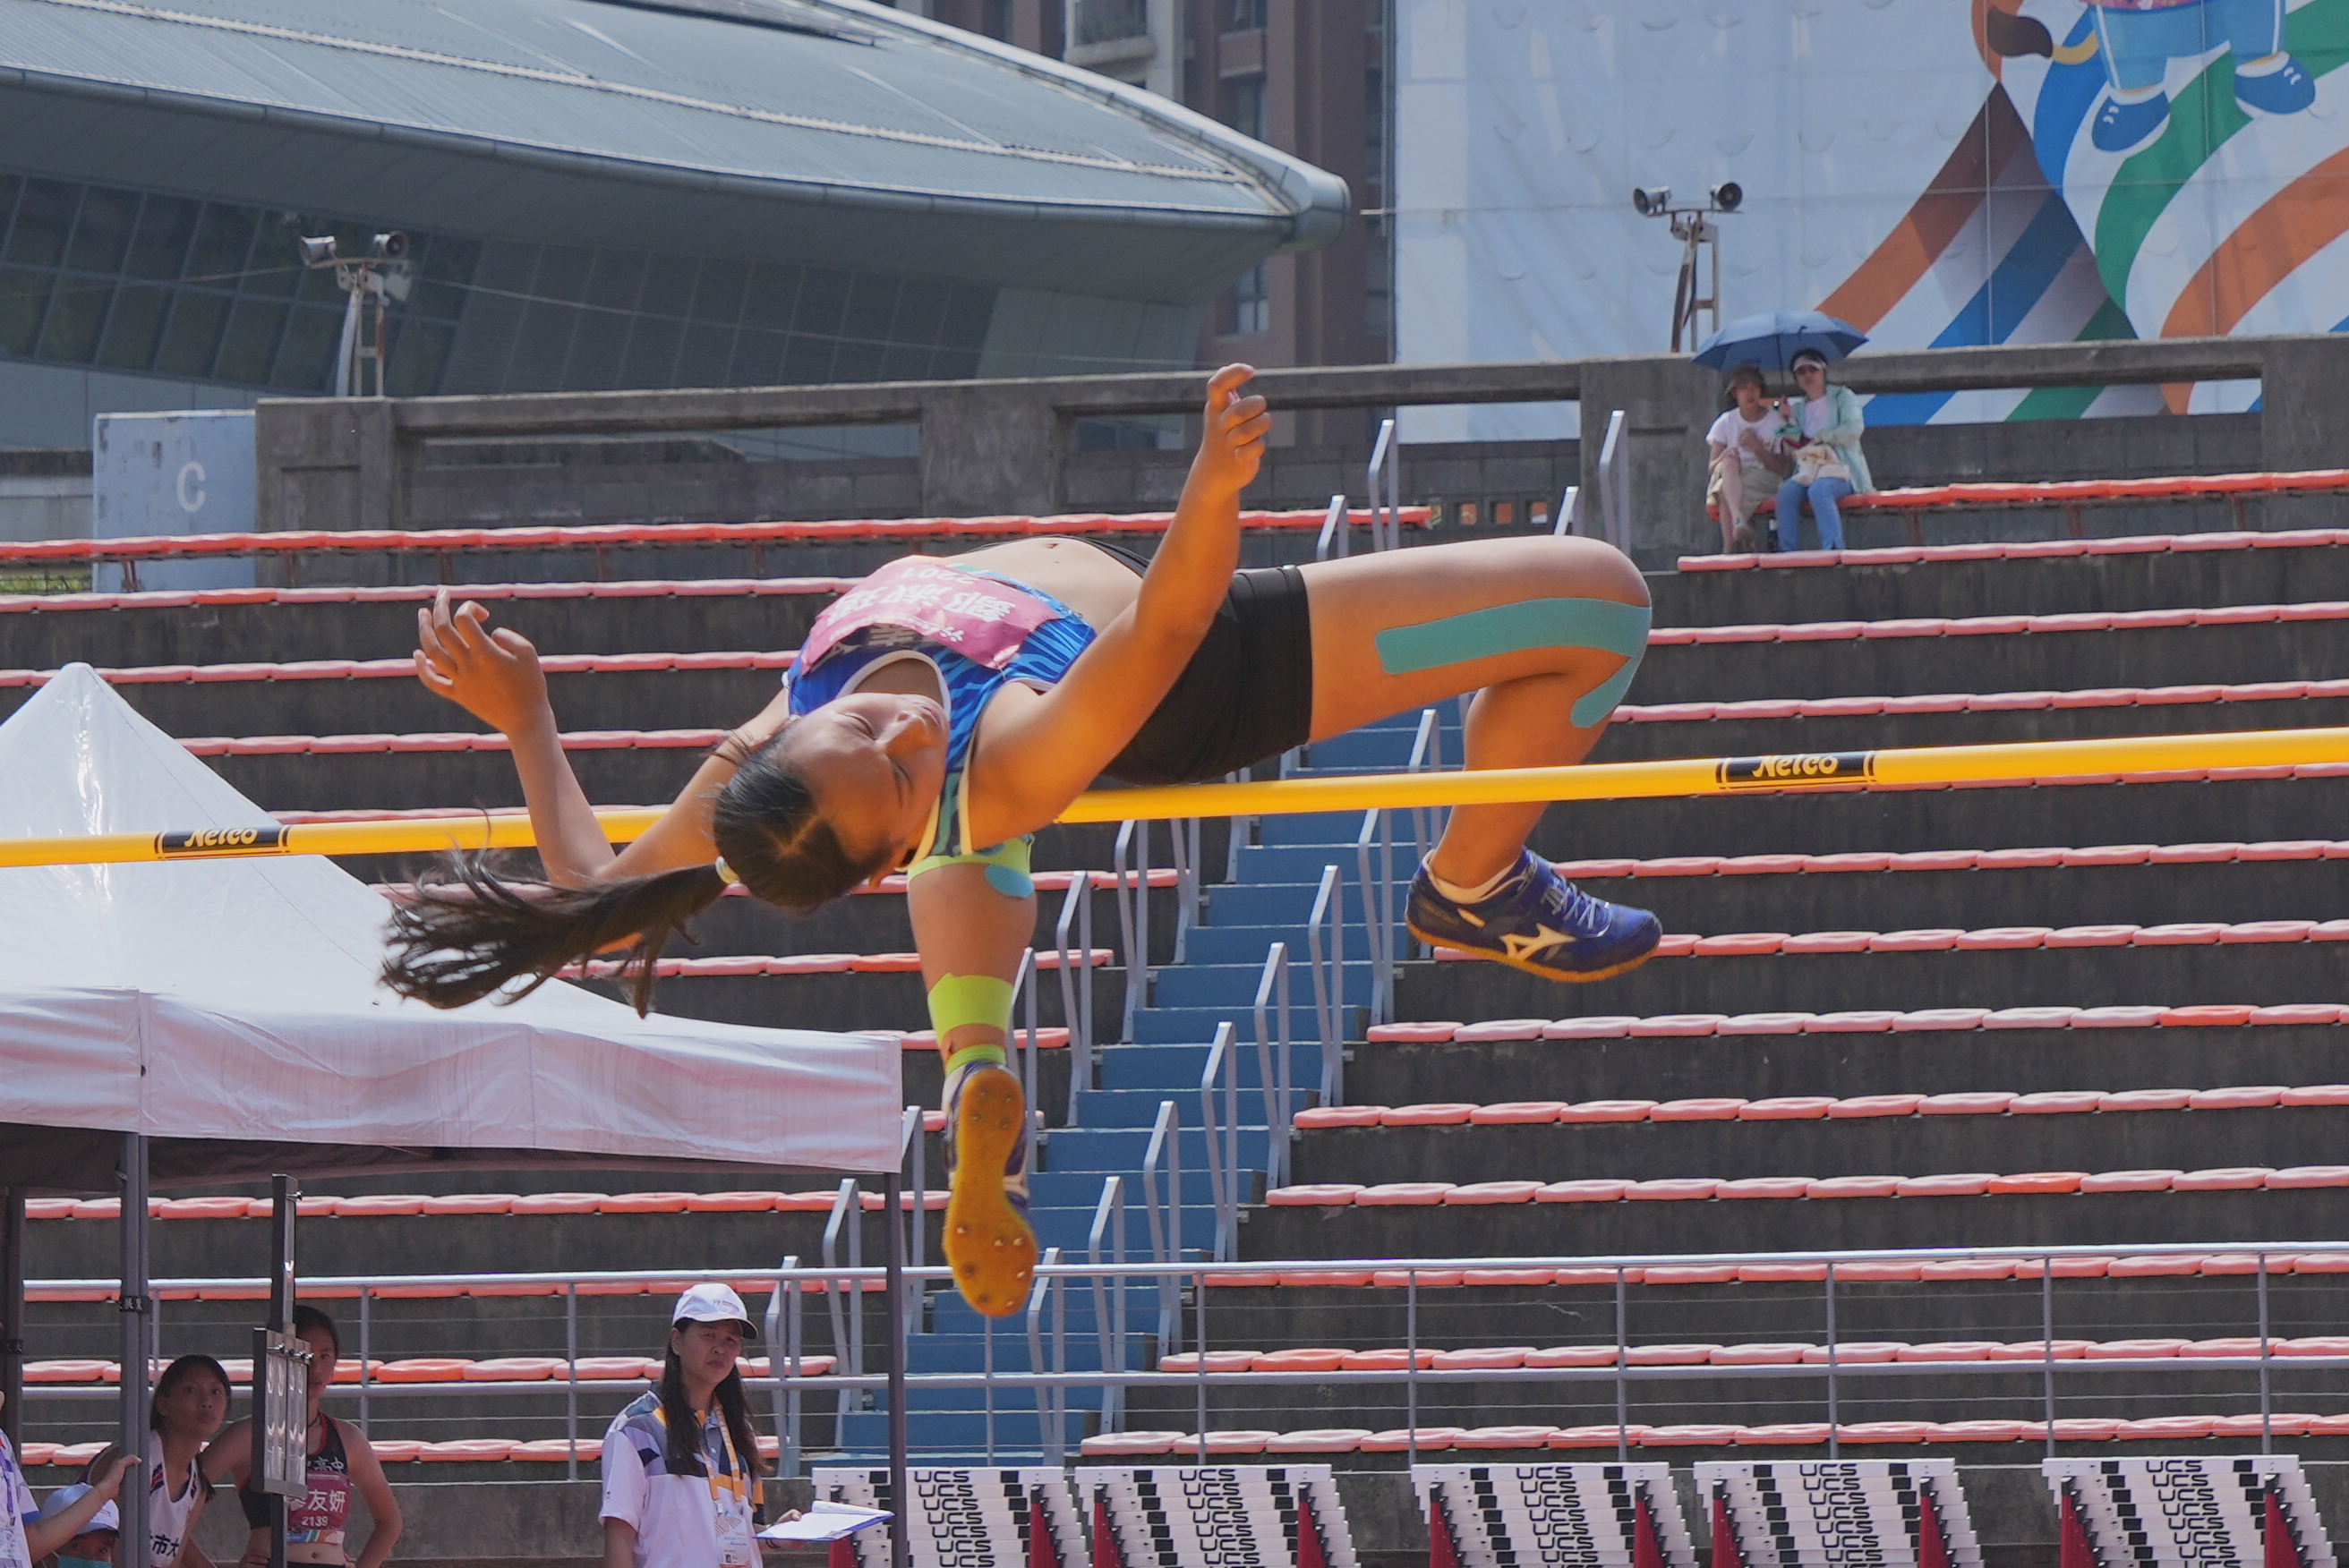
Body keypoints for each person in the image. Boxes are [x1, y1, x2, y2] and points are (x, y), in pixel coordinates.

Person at [382, 364, 1662, 1318]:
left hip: (1014, 718)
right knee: (1600, 604)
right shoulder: (997, 764)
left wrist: (529, 712)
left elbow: (597, 888)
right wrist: (1208, 494)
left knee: (952, 827)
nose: (903, 726)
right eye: (897, 769)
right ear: (880, 860)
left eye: (867, 728)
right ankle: (1475, 883)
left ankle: (977, 1067)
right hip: (1203, 660)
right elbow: (1160, 634)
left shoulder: (778, 765)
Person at [203, 1306, 402, 1568]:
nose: (315, 1368)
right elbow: (174, 1502)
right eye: (304, 1356)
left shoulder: (348, 1438)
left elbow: (390, 1521)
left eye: (325, 1355)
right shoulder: (247, 1435)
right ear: (278, 1359)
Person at [599, 1285, 767, 1568]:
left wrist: (779, 1537)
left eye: (731, 1340)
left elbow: (747, 1533)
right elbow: (620, 1537)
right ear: (676, 1341)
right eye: (709, 1335)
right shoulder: (636, 1429)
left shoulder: (740, 1433)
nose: (720, 1349)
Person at [82, 1352, 229, 1568]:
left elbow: (173, 1562)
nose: (206, 1401)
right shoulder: (134, 1459)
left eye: (216, 1392)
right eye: (191, 1390)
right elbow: (100, 1547)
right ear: (163, 1405)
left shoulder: (198, 1485)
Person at [0, 1386, 134, 1568]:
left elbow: (28, 1542)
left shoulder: (2, 1443)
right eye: (77, 1546)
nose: (89, 1560)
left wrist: (103, 1493)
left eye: (103, 1550)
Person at [1771, 349, 1875, 552]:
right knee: (1786, 493)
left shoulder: (1842, 396)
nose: (1808, 375)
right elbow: (1794, 446)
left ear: (1823, 372)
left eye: (1812, 369)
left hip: (1842, 471)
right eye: (1801, 372)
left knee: (1820, 490)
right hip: (1809, 471)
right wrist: (1787, 420)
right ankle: (1787, 553)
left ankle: (1833, 550)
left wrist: (1823, 437)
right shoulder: (1799, 409)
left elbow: (1854, 429)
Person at [1704, 363, 1790, 552]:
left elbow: (1781, 469)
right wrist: (1725, 455)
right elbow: (1712, 466)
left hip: (1764, 477)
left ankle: (1729, 548)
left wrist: (1757, 448)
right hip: (1732, 474)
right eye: (1743, 388)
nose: (1749, 393)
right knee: (1727, 466)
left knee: (1724, 490)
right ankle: (1738, 521)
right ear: (1735, 394)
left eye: (1754, 388)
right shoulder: (1726, 422)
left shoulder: (1775, 422)